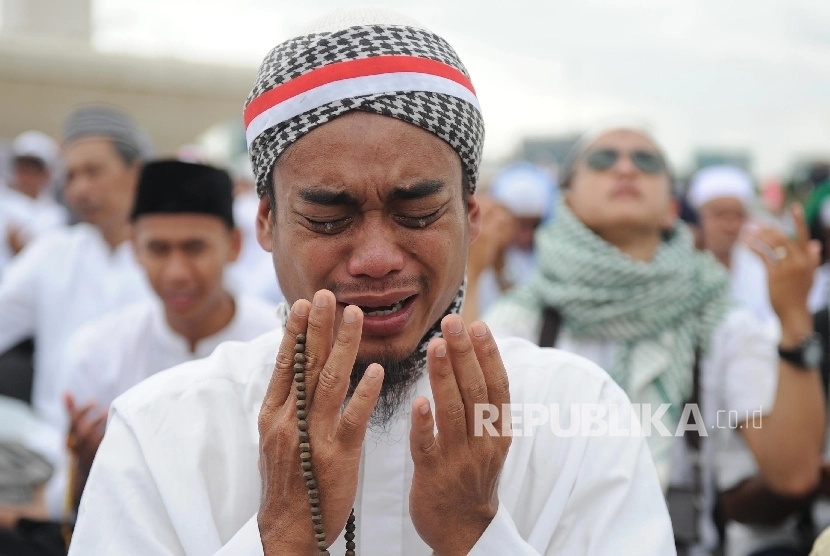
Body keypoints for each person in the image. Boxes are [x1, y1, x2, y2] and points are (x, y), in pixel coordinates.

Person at [70, 9, 675, 555]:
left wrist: (475, 533)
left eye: (417, 214)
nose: (378, 258)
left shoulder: (578, 414)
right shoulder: (158, 436)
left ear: (471, 217)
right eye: (330, 219)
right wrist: (279, 537)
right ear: (265, 224)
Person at [484, 125, 825, 554]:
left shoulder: (717, 316)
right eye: (604, 159)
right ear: (568, 200)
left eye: (646, 162)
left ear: (670, 208)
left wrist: (795, 322)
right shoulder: (521, 320)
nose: (626, 168)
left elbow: (791, 475)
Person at [59, 159, 278, 511]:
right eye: (159, 249)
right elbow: (79, 513)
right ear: (135, 249)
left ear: (234, 245)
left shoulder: (280, 347)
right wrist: (89, 464)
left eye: (194, 248)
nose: (177, 272)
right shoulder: (98, 351)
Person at [0, 105, 153, 514]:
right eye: (70, 176)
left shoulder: (168, 258)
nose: (80, 189)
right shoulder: (52, 253)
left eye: (93, 171)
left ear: (135, 173)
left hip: (150, 450)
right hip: (52, 452)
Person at [687, 165, 777, 330]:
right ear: (699, 217)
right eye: (720, 214)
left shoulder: (760, 269)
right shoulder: (680, 269)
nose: (730, 225)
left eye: (738, 215)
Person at [466, 162, 556, 320]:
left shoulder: (552, 258)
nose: (525, 236)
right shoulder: (479, 250)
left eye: (534, 225)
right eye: (518, 225)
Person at [0, 131, 68, 277]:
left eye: (33, 168)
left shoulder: (57, 215)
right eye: (22, 166)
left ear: (47, 173)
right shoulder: (3, 202)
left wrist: (22, 250)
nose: (26, 174)